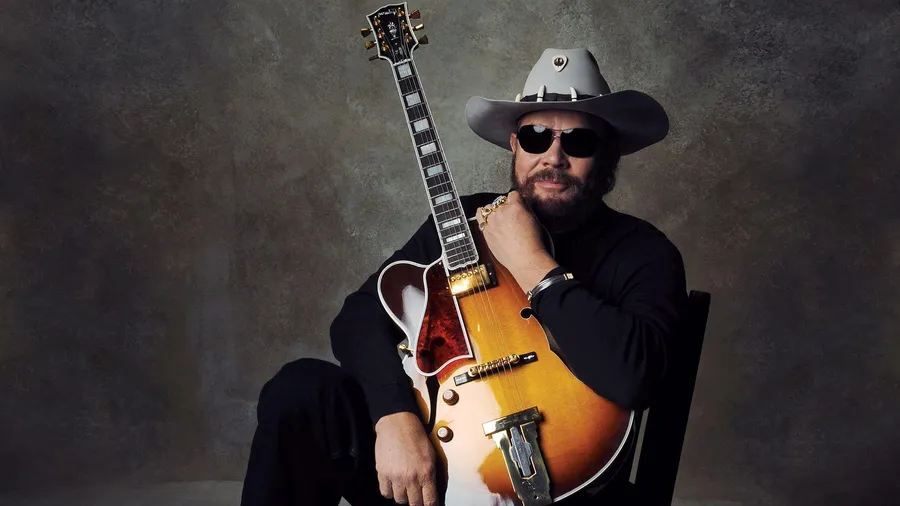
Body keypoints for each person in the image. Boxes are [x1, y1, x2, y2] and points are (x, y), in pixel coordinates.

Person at [239, 48, 688, 506]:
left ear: (606, 155)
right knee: (300, 389)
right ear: (514, 145)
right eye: (535, 137)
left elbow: (634, 377)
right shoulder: (465, 220)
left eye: (580, 141)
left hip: (564, 491)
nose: (553, 157)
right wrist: (394, 416)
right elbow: (359, 318)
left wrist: (530, 260)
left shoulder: (645, 252)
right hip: (431, 474)